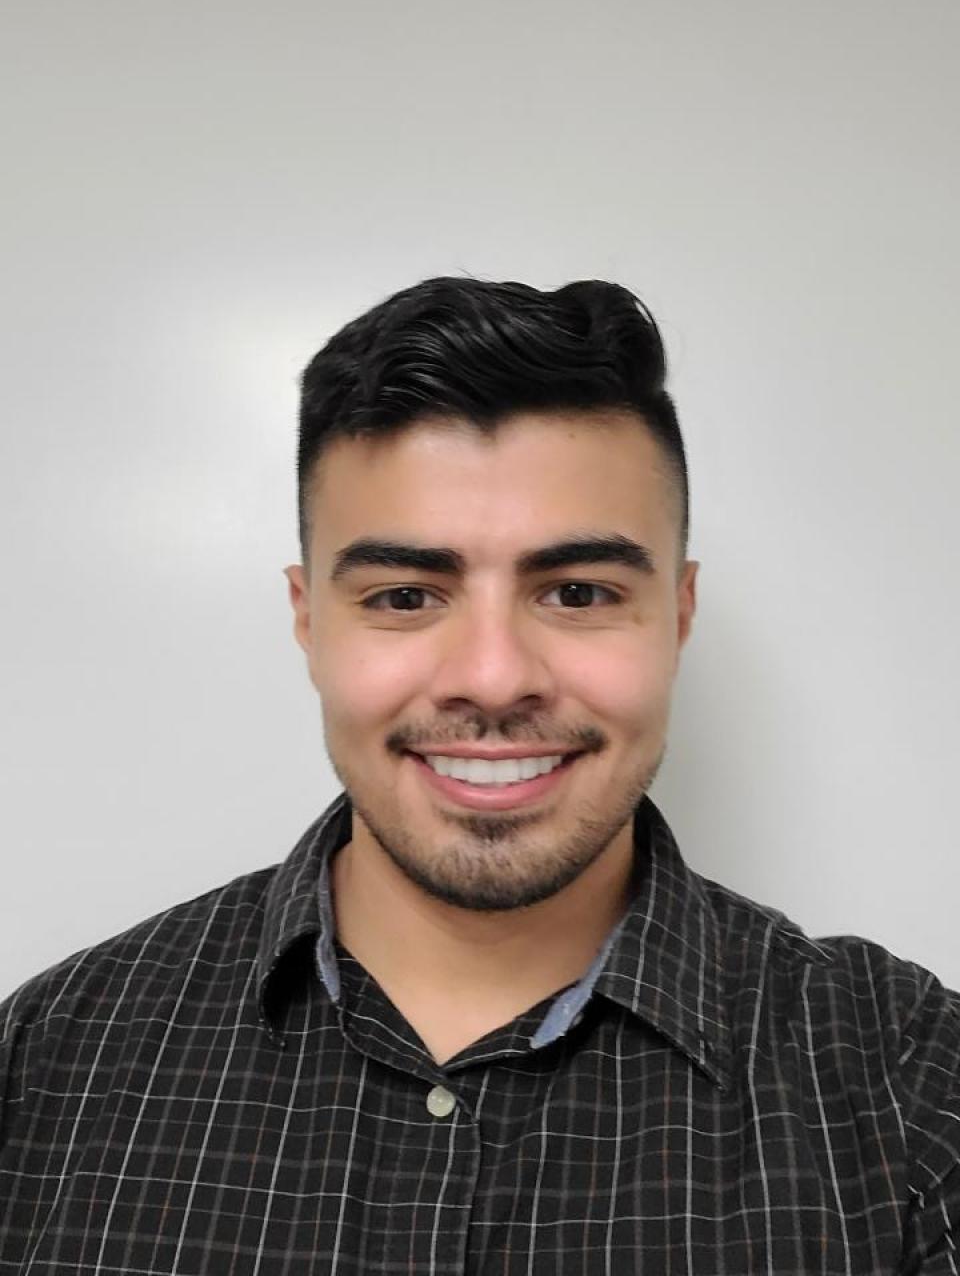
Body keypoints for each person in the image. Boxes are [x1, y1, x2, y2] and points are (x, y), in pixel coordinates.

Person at [1, 277, 957, 1275]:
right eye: (405, 596)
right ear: (308, 621)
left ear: (677, 616)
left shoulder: (911, 1082)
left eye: (577, 592)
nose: (494, 678)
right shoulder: (47, 1060)